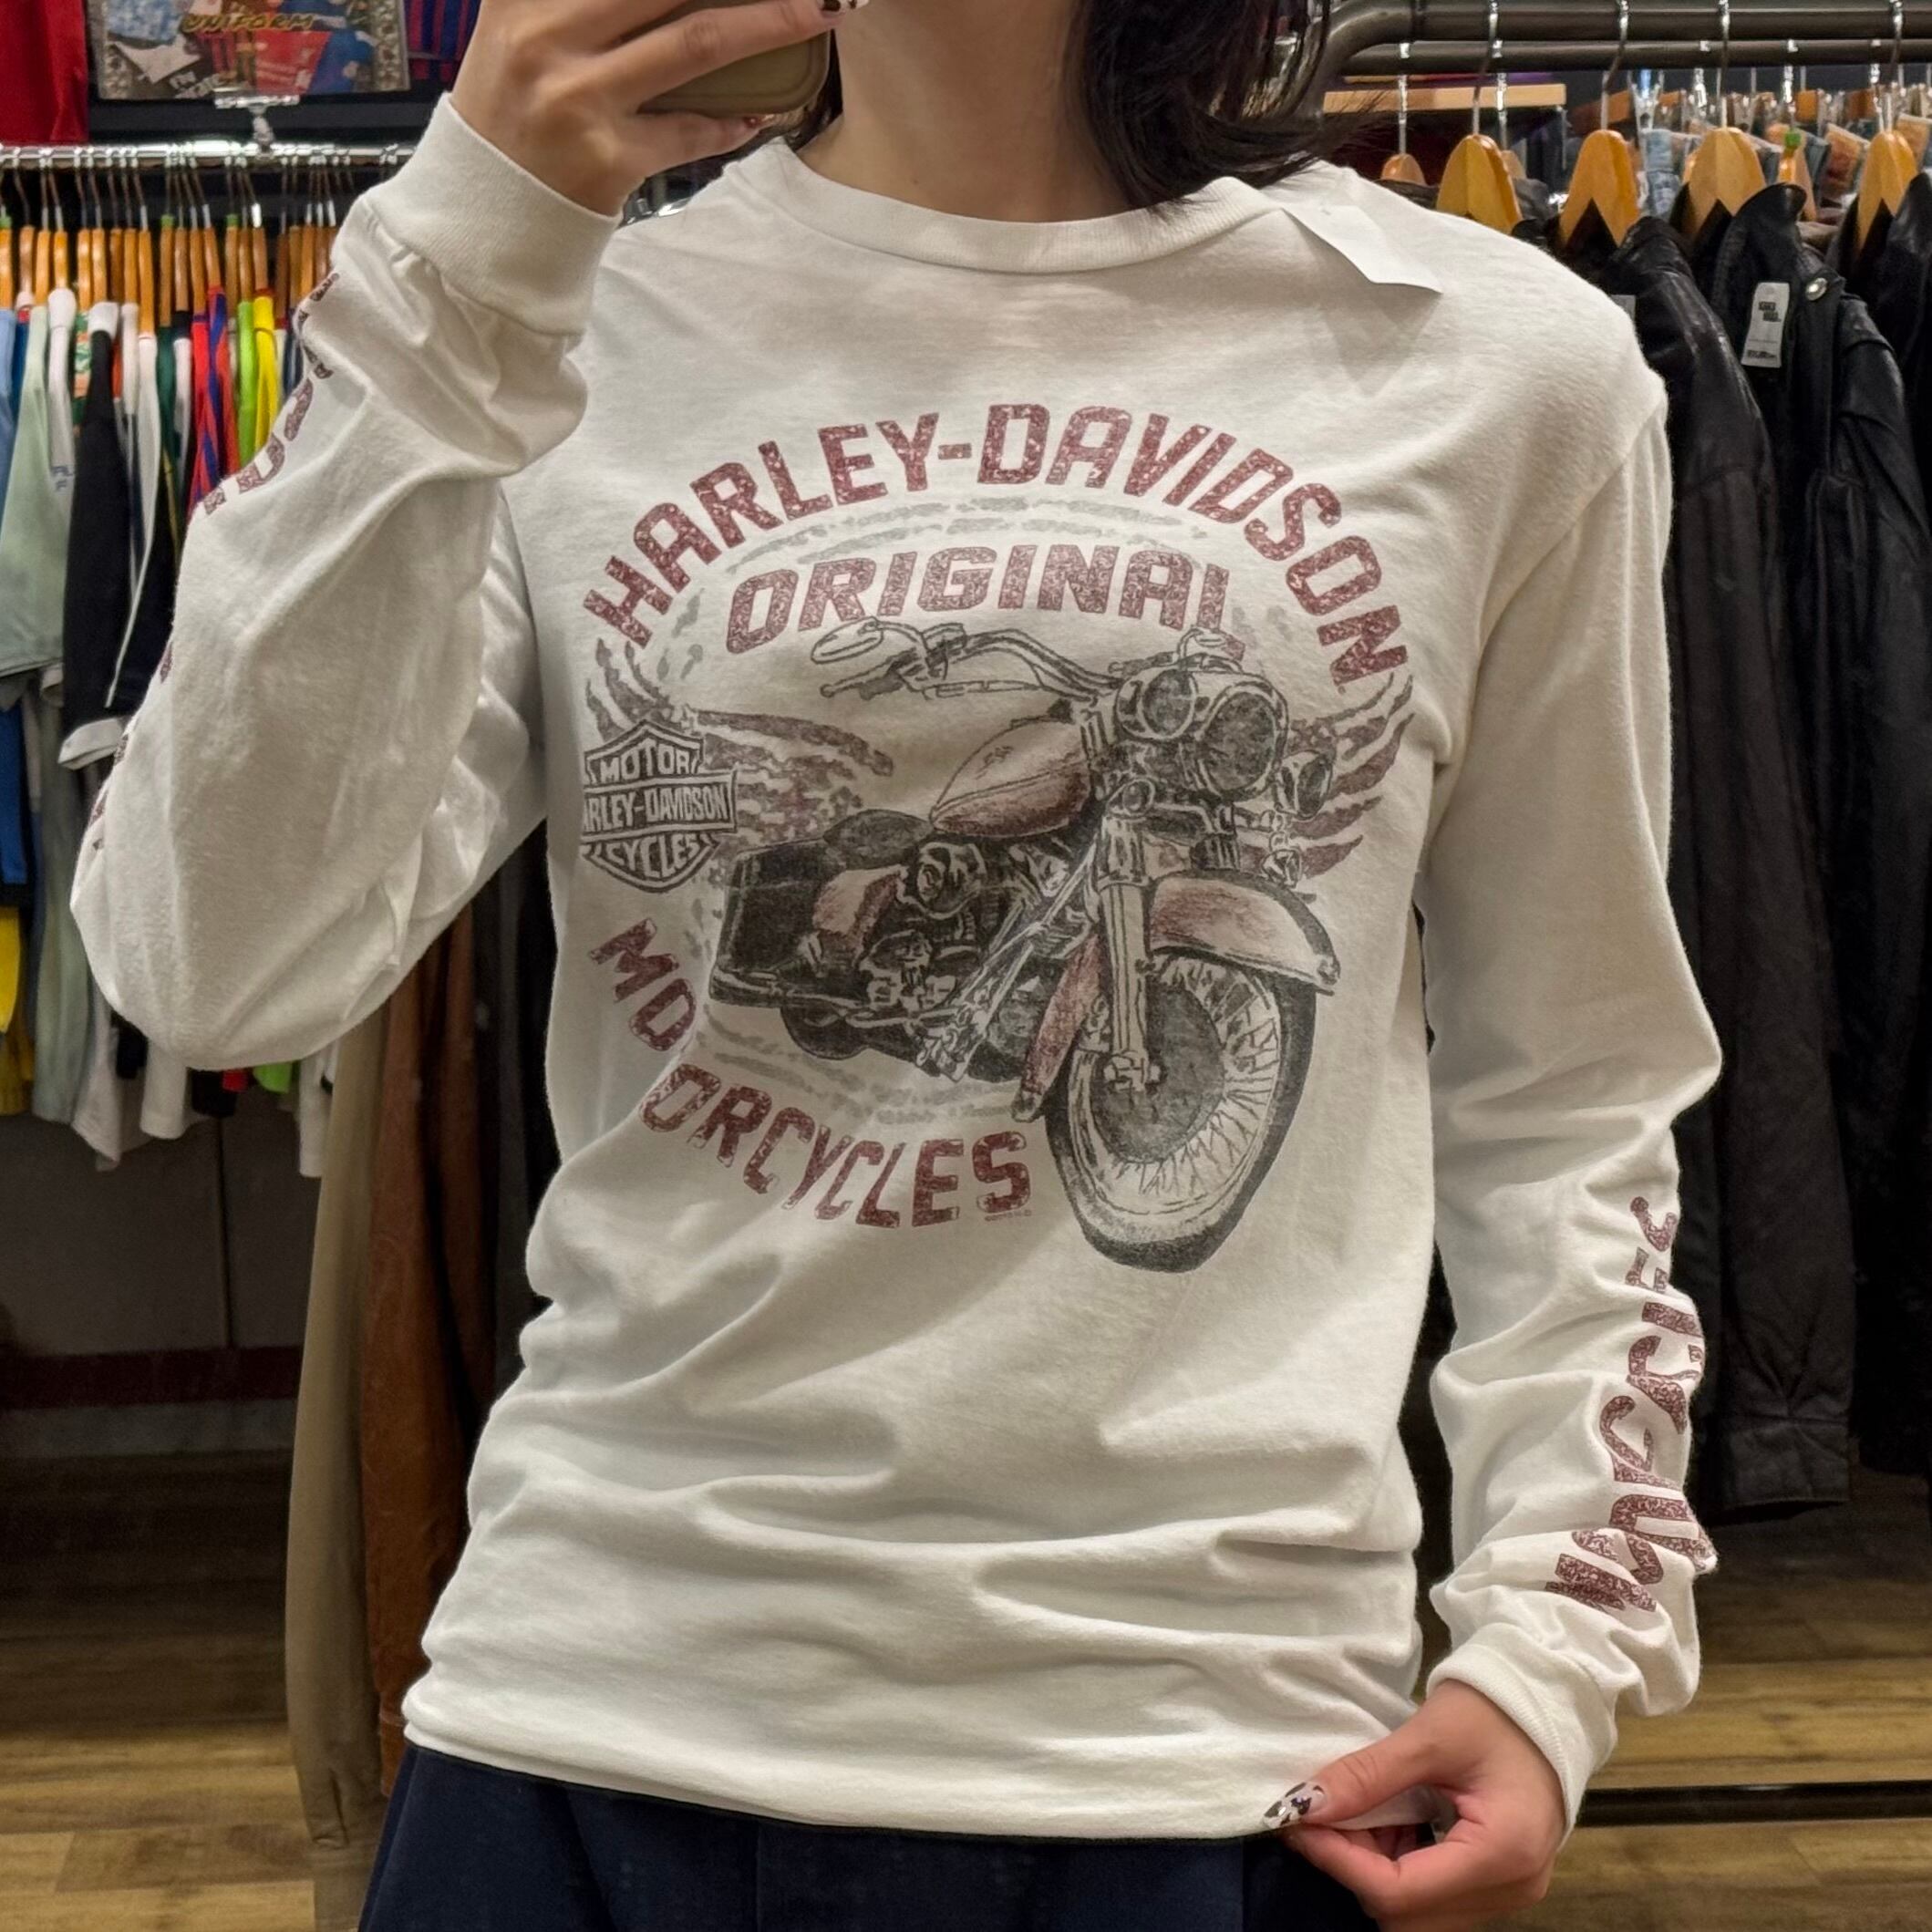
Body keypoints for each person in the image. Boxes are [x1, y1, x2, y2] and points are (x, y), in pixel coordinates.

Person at [71, 2, 1723, 1927]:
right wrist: (460, 253)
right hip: (601, 1697)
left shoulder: (1497, 359)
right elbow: (209, 968)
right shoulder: (547, 310)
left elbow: (1572, 1079)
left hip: (1214, 1741)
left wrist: (1556, 1636)